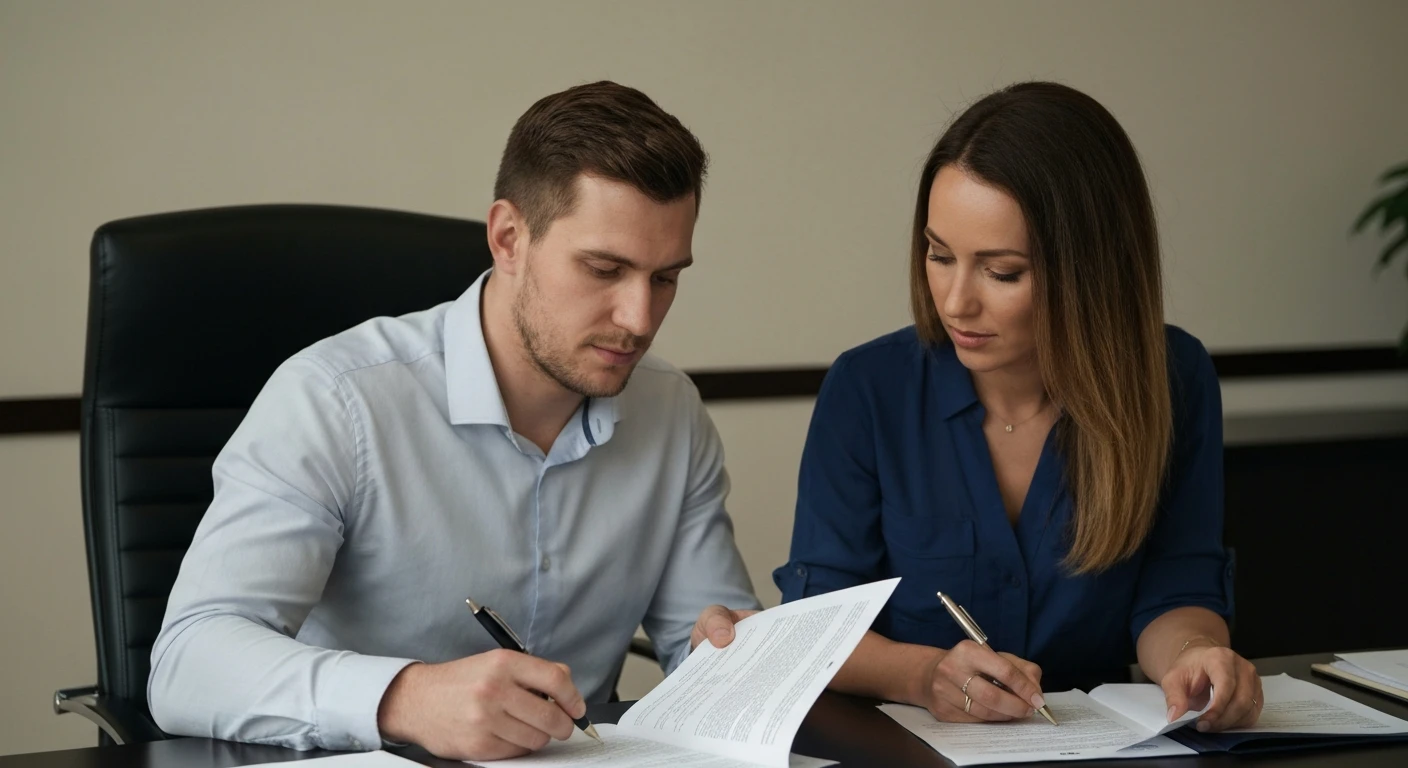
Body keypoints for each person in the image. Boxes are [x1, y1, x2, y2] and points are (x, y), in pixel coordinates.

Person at [148, 81, 760, 762]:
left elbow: (708, 644)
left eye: (665, 278)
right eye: (603, 269)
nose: (639, 319)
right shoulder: (336, 400)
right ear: (508, 239)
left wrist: (728, 657)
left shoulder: (671, 411)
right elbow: (188, 662)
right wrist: (405, 698)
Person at [769, 82, 1260, 732]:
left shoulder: (1175, 379)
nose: (955, 302)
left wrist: (1196, 657)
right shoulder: (868, 389)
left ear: (1090, 270)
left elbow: (1178, 589)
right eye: (939, 255)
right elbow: (813, 627)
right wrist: (924, 676)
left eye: (1001, 272)